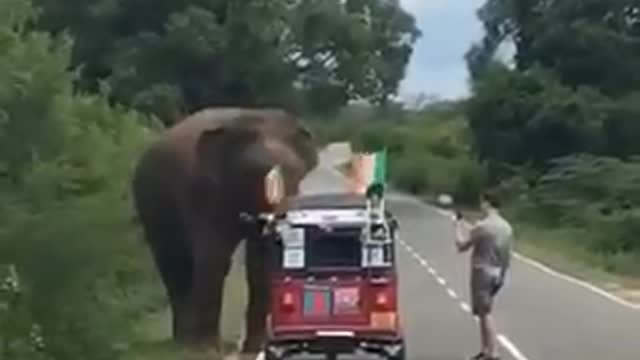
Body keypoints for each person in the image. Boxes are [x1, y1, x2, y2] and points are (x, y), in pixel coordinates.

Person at [454, 190, 513, 360]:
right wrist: (502, 274)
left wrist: (457, 226)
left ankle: (492, 352)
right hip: (497, 272)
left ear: (487, 203)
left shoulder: (484, 226)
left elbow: (461, 245)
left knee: (485, 313)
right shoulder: (506, 227)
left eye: (482, 202)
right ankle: (485, 350)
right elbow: (507, 255)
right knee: (483, 311)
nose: (481, 206)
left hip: (482, 271)